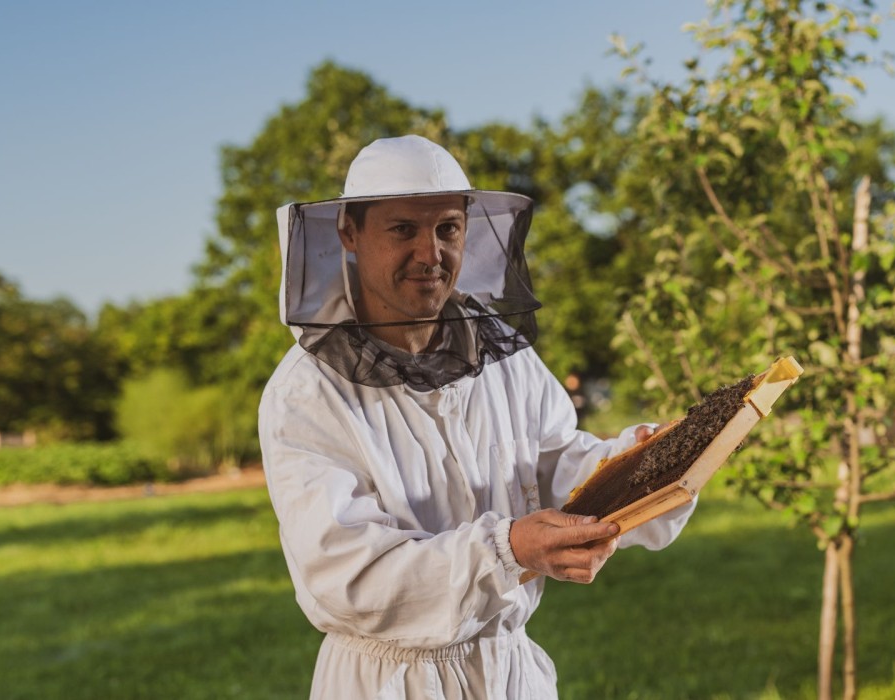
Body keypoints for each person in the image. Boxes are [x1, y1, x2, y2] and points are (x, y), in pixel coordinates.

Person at [259, 135, 694, 698]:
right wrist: (505, 550)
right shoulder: (306, 392)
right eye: (402, 230)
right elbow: (348, 576)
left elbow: (558, 464)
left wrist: (644, 462)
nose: (430, 254)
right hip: (389, 684)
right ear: (349, 232)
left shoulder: (503, 358)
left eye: (447, 229)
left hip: (511, 675)